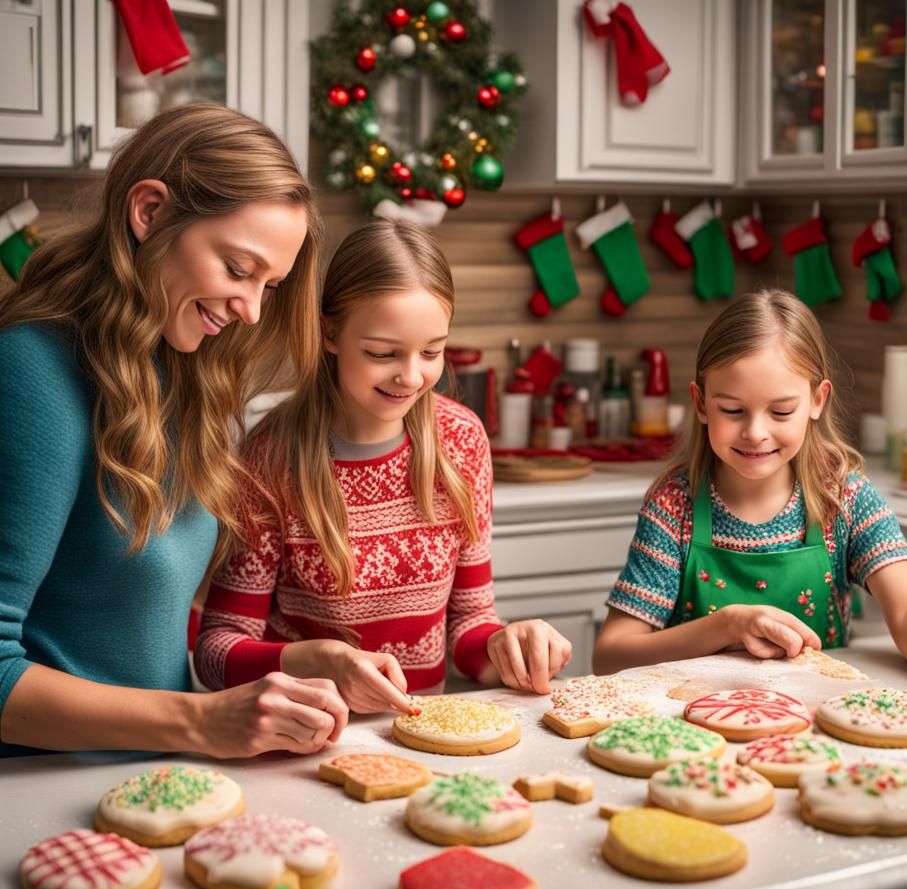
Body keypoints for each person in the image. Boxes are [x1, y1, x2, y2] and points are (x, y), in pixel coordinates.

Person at [0, 103, 350, 759]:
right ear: (150, 212)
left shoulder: (184, 373)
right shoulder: (30, 371)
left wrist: (302, 658)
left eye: (270, 285)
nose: (251, 310)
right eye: (238, 269)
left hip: (153, 778)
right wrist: (200, 722)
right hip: (41, 792)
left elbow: (133, 634)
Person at [593, 289, 907, 717]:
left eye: (781, 412)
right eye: (733, 410)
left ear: (817, 400)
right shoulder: (675, 508)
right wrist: (726, 626)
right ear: (701, 404)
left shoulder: (844, 497)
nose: (756, 432)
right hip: (695, 730)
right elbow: (611, 656)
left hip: (818, 725)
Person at [194, 221, 572, 704]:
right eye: (382, 353)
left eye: (432, 352)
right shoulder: (271, 459)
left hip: (423, 728)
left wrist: (506, 647)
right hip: (308, 734)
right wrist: (317, 660)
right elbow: (217, 652)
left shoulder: (461, 441)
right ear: (330, 332)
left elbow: (469, 626)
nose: (410, 377)